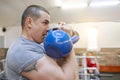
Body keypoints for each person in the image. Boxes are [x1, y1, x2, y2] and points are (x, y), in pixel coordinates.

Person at [5, 5, 79, 80]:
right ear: (29, 22)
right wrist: (67, 39)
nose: (48, 28)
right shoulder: (22, 51)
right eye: (45, 23)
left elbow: (57, 68)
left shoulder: (36, 45)